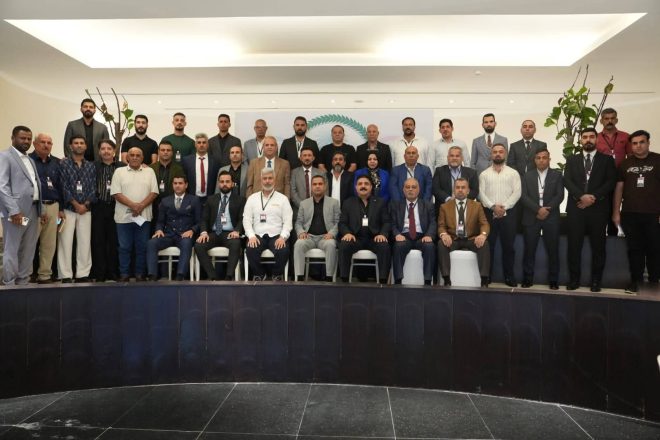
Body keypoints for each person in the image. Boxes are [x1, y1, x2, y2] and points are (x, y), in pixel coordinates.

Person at [564, 128, 616, 292]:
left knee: (598, 247)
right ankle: (574, 280)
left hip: (598, 210)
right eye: (585, 137)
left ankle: (596, 281)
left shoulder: (607, 160)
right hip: (576, 209)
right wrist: (581, 196)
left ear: (597, 140)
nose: (588, 140)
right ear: (580, 140)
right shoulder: (572, 159)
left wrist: (593, 197)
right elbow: (567, 181)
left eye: (591, 137)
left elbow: (610, 182)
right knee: (574, 246)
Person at [612, 130, 660, 293]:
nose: (638, 146)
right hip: (630, 213)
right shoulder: (625, 164)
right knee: (634, 250)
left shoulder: (658, 160)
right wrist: (616, 212)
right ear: (631, 145)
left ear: (648, 143)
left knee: (654, 249)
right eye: (634, 143)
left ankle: (654, 282)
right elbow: (619, 189)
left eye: (642, 142)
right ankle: (636, 281)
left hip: (654, 214)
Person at [0, 126, 42, 286]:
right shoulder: (5, 156)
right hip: (16, 213)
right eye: (22, 138)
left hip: (33, 210)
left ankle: (22, 282)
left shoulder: (30, 160)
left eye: (29, 139)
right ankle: (9, 283)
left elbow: (34, 185)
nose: (26, 141)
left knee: (28, 248)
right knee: (12, 248)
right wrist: (14, 211)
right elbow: (2, 186)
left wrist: (41, 210)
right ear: (13, 138)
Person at [111, 147, 159, 282]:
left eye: (138, 155)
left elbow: (154, 192)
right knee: (124, 247)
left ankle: (140, 274)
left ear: (142, 158)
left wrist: (141, 206)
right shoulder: (119, 172)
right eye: (132, 155)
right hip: (123, 218)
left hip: (144, 217)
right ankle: (124, 274)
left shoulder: (150, 172)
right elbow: (116, 193)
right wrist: (133, 206)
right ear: (127, 157)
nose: (134, 157)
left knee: (142, 247)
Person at [520, 149, 564, 290]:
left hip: (551, 217)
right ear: (534, 160)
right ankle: (528, 279)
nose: (541, 160)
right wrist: (538, 209)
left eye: (544, 157)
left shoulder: (557, 175)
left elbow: (560, 195)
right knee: (529, 250)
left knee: (553, 250)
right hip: (531, 216)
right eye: (538, 158)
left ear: (549, 159)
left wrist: (547, 209)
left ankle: (553, 280)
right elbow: (523, 196)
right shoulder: (527, 175)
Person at [478, 144, 521, 287]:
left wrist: (504, 207)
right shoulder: (484, 174)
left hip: (508, 215)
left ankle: (509, 277)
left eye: (500, 152)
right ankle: (487, 276)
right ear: (491, 155)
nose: (497, 154)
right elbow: (481, 194)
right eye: (495, 152)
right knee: (488, 248)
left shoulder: (513, 173)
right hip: (489, 215)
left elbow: (517, 193)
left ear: (505, 154)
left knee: (509, 248)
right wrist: (493, 207)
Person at [337, 175, 391, 284]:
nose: (363, 186)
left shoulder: (380, 202)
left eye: (366, 184)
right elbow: (342, 223)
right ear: (356, 187)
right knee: (344, 244)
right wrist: (347, 233)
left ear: (371, 187)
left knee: (384, 246)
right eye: (360, 184)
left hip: (374, 238)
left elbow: (386, 222)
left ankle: (383, 281)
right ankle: (344, 280)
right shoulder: (348, 203)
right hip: (355, 238)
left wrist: (382, 234)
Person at [58, 136, 97, 283]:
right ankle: (65, 275)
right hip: (67, 209)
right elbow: (63, 186)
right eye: (76, 143)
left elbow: (94, 187)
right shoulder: (63, 164)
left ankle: (83, 274)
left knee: (85, 242)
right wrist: (75, 204)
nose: (79, 145)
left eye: (82, 143)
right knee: (65, 242)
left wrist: (85, 205)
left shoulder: (91, 166)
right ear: (70, 146)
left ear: (86, 146)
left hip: (86, 210)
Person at [437, 178, 490, 287]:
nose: (460, 190)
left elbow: (484, 223)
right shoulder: (444, 207)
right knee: (441, 244)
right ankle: (446, 279)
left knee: (484, 244)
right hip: (453, 239)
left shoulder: (477, 206)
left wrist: (483, 235)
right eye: (457, 187)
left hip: (471, 239)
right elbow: (441, 226)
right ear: (454, 190)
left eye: (463, 187)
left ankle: (484, 280)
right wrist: (444, 234)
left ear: (468, 190)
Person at [146, 176, 201, 281]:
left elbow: (199, 221)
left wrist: (192, 230)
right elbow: (160, 221)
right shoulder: (165, 201)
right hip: (169, 234)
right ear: (172, 185)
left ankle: (180, 275)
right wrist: (159, 230)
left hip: (185, 234)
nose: (177, 186)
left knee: (187, 243)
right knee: (151, 243)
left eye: (180, 183)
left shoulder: (194, 200)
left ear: (186, 185)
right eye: (175, 183)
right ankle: (152, 275)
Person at [243, 167, 293, 281]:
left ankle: (276, 274)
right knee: (251, 249)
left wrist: (283, 237)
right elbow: (246, 220)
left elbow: (288, 221)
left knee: (283, 250)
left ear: (274, 180)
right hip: (257, 235)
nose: (267, 181)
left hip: (277, 235)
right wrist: (251, 236)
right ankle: (260, 274)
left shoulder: (283, 199)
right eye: (265, 178)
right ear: (261, 180)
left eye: (270, 178)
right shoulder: (252, 198)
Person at [195, 171, 245, 281]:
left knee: (236, 243)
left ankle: (229, 276)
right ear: (218, 183)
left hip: (230, 234)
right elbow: (204, 219)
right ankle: (213, 276)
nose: (224, 184)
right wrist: (204, 232)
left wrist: (237, 230)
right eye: (222, 182)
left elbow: (242, 219)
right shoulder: (211, 199)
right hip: (214, 233)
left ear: (232, 183)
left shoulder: (240, 200)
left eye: (227, 181)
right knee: (199, 245)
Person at [29, 133, 63, 284]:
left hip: (53, 207)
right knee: (29, 242)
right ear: (35, 144)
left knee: (49, 243)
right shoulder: (27, 161)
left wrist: (61, 209)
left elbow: (61, 186)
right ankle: (27, 274)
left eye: (49, 143)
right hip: (33, 207)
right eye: (42, 142)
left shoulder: (57, 162)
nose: (46, 145)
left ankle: (45, 275)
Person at [389, 178, 436, 285]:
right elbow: (392, 223)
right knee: (398, 246)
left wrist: (429, 235)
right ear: (403, 190)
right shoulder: (396, 205)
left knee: (430, 246)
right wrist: (397, 234)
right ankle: (398, 280)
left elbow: (433, 222)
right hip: (404, 236)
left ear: (419, 190)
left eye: (413, 187)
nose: (410, 189)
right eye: (407, 187)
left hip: (422, 237)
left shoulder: (428, 205)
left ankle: (428, 281)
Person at [293, 175, 340, 281]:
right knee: (299, 244)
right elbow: (298, 222)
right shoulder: (304, 203)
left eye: (320, 184)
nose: (317, 186)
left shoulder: (334, 202)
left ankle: (329, 278)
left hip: (326, 237)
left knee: (331, 244)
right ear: (311, 186)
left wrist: (332, 233)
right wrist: (301, 232)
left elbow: (338, 222)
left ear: (325, 186)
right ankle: (299, 277)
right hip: (308, 237)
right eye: (314, 184)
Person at [91, 139, 126, 282]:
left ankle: (113, 272)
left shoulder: (122, 167)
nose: (106, 151)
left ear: (114, 151)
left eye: (109, 148)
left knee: (114, 241)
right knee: (98, 241)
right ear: (99, 151)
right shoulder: (93, 166)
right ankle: (99, 273)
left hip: (116, 207)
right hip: (98, 207)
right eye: (103, 149)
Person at [432, 146, 479, 215]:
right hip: (444, 209)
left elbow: (474, 191)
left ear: (462, 158)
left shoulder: (471, 173)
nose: (454, 158)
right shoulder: (439, 171)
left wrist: (461, 199)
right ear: (448, 158)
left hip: (465, 209)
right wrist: (448, 199)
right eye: (452, 156)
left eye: (457, 156)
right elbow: (435, 189)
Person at [150, 140, 186, 224]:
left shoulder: (179, 168)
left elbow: (182, 188)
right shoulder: (150, 168)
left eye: (168, 150)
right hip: (153, 206)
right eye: (163, 150)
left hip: (172, 207)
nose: (165, 152)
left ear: (172, 152)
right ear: (158, 152)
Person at [181, 133, 221, 206]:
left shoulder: (215, 161)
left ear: (207, 145)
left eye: (204, 142)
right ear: (195, 145)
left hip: (210, 199)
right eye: (199, 142)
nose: (201, 145)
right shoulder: (187, 161)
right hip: (192, 198)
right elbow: (184, 179)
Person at [291, 146, 324, 212]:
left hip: (318, 210)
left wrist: (316, 206)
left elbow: (324, 192)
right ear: (300, 158)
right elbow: (293, 192)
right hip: (299, 210)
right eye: (304, 155)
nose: (307, 158)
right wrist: (303, 206)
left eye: (309, 155)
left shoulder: (321, 173)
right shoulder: (294, 173)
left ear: (313, 158)